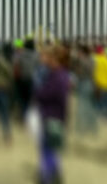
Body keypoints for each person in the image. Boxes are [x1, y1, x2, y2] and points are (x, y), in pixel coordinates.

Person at [34, 45, 70, 184]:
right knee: (50, 149)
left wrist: (39, 93)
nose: (44, 59)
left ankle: (47, 178)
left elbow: (52, 94)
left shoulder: (58, 75)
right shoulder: (57, 74)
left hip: (52, 116)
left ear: (54, 58)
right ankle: (53, 175)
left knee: (48, 150)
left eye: (47, 57)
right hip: (54, 116)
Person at [73, 45, 97, 136]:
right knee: (90, 106)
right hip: (91, 83)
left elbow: (79, 73)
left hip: (83, 83)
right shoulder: (93, 61)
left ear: (82, 52)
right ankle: (93, 129)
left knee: (81, 107)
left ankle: (81, 129)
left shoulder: (81, 61)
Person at [13, 38, 38, 120]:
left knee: (22, 99)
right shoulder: (36, 55)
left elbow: (16, 66)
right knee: (30, 99)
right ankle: (28, 117)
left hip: (22, 80)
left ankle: (22, 115)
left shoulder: (20, 55)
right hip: (32, 80)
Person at [93, 46, 107, 120]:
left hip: (99, 84)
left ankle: (99, 115)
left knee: (99, 101)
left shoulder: (95, 59)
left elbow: (94, 72)